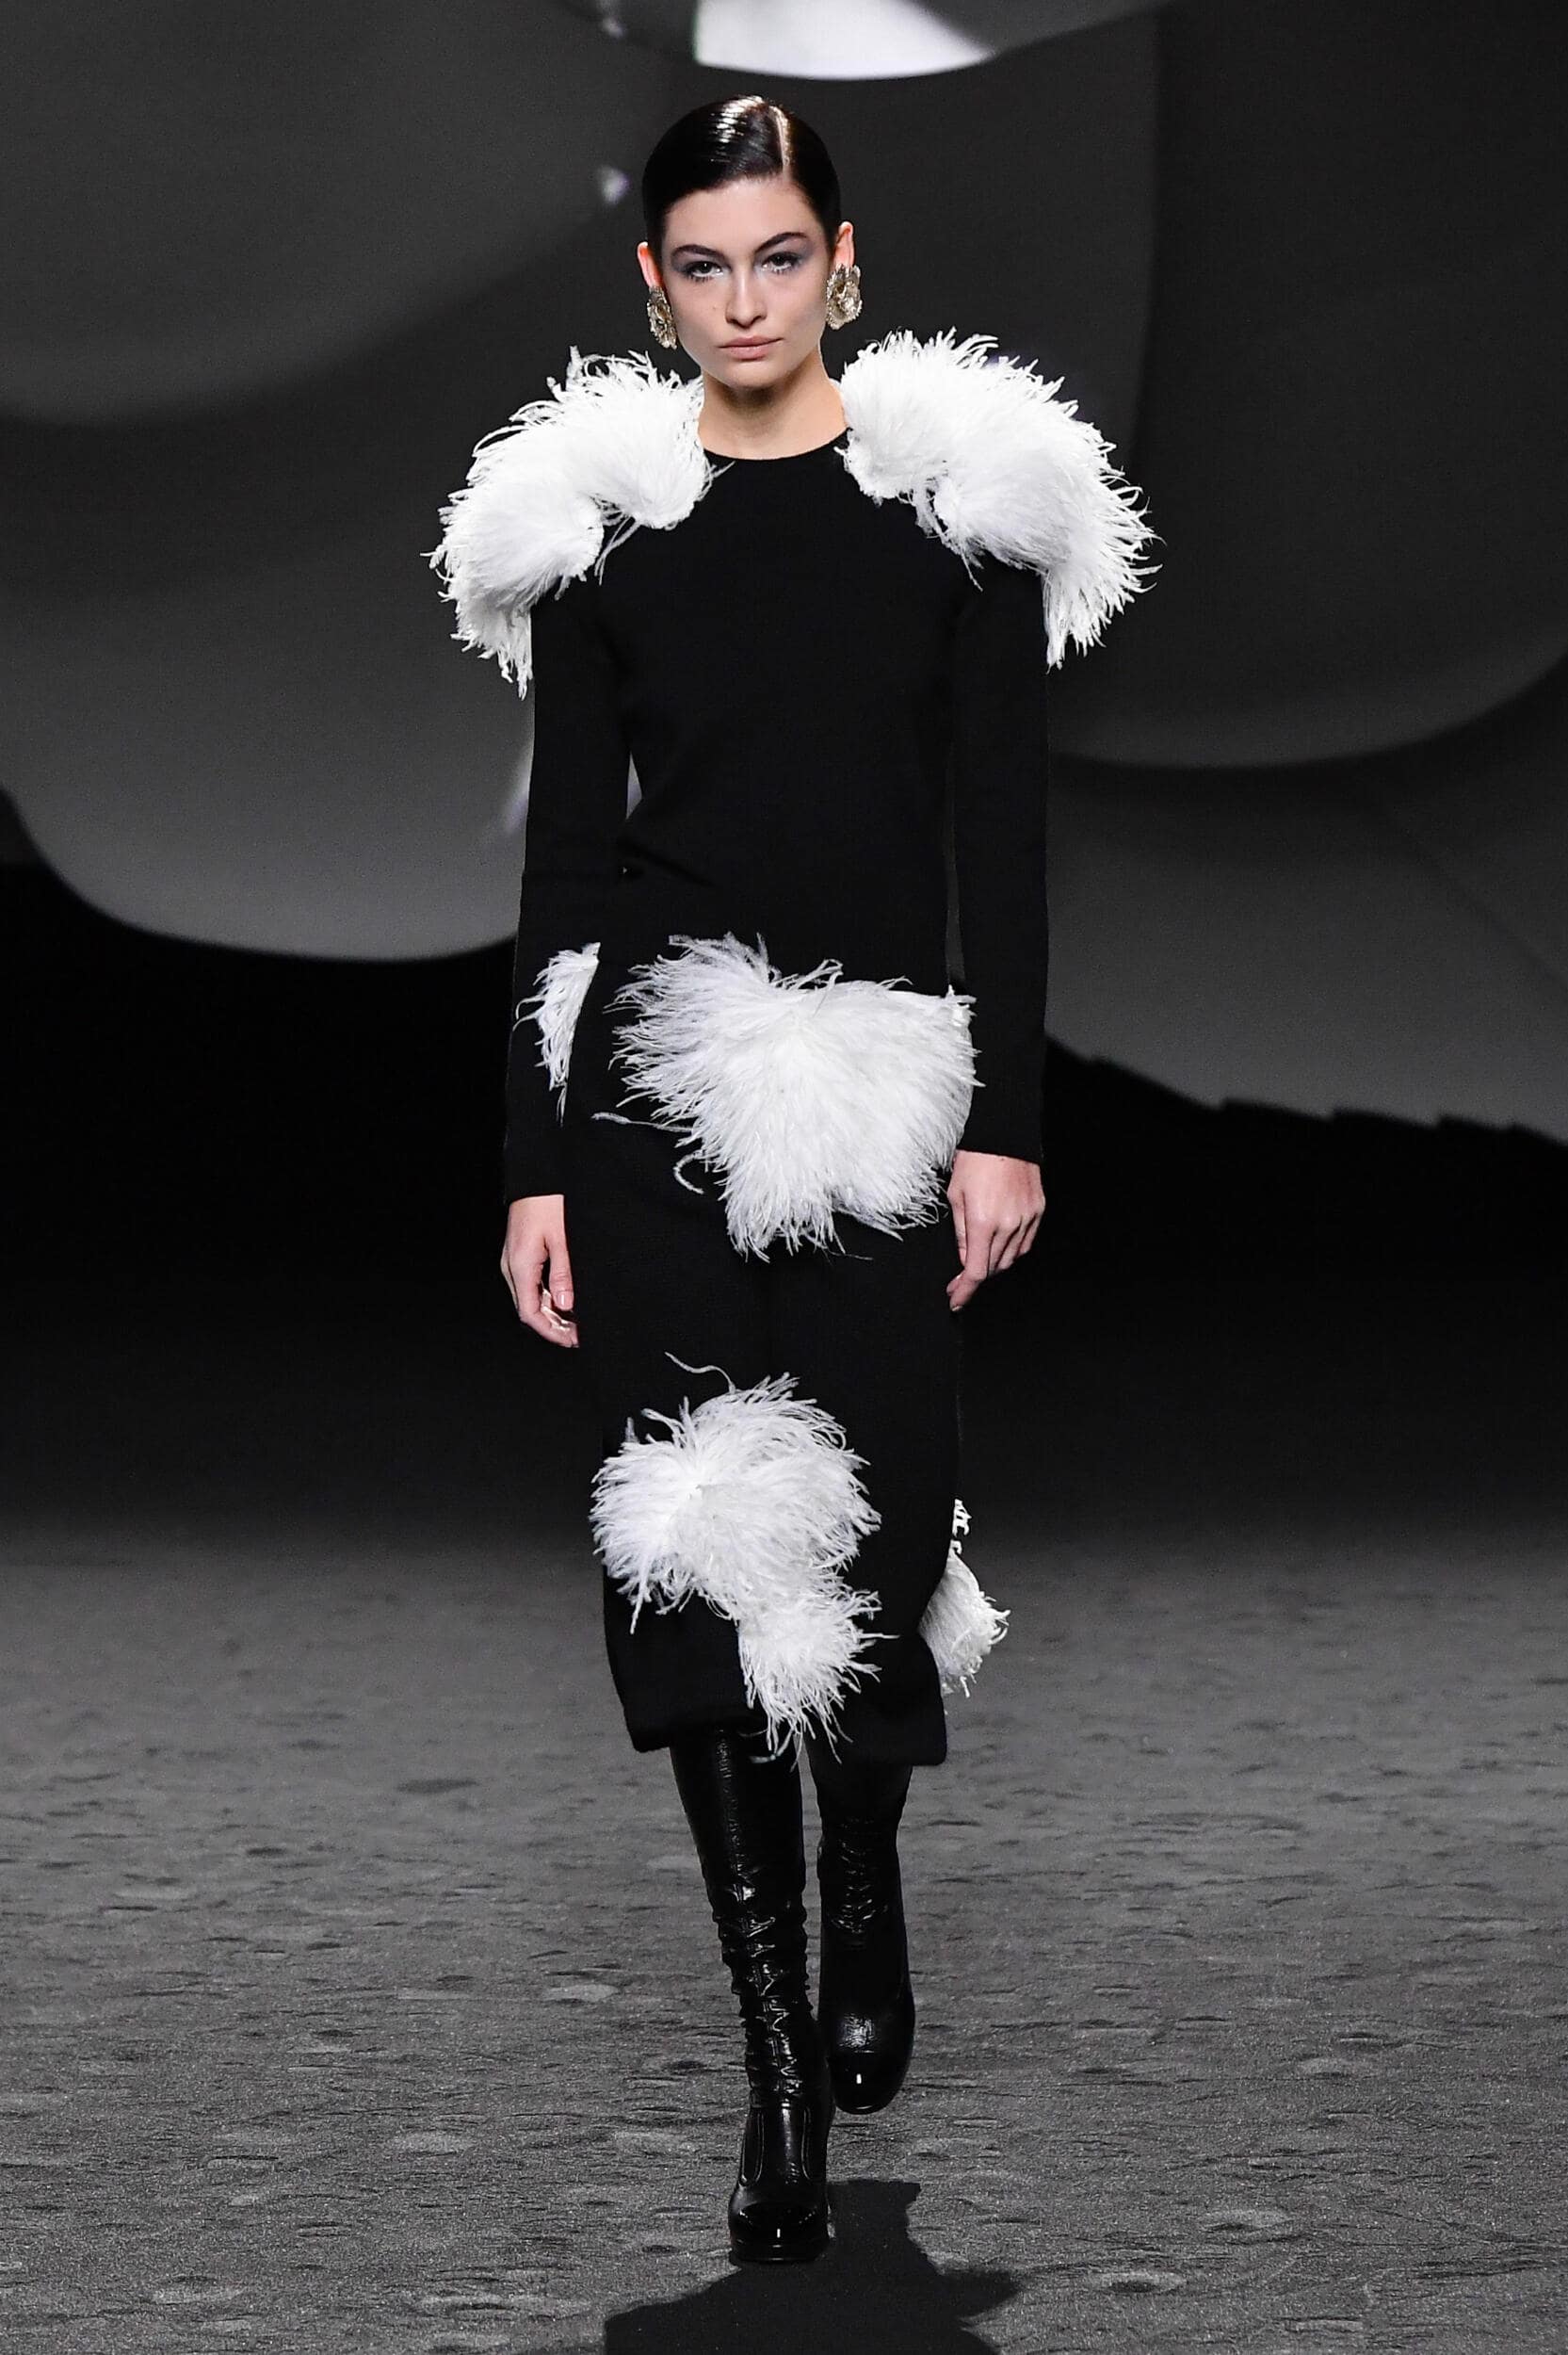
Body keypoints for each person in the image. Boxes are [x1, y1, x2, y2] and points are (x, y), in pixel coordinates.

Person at [430, 92, 1156, 2266]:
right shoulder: (599, 530)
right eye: (701, 264)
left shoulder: (958, 516)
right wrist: (535, 1160)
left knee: (876, 1521)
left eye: (777, 256)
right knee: (689, 1541)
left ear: (842, 261)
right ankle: (769, 2071)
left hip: (879, 1090)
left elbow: (998, 837)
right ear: (650, 284)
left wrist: (1005, 1119)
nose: (742, 299)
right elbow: (565, 862)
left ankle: (864, 1857)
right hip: (648, 1084)